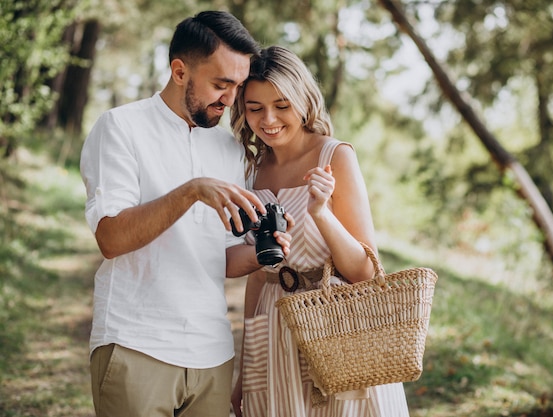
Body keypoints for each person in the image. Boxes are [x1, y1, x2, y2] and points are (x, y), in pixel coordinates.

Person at [79, 12, 292, 417]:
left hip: (211, 353)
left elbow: (222, 257)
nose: (231, 99)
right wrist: (192, 191)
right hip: (135, 345)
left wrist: (270, 252)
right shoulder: (121, 127)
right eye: (220, 84)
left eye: (238, 86)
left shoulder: (230, 149)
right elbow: (111, 239)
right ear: (180, 71)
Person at [229, 45, 410, 417]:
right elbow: (259, 278)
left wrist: (321, 213)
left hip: (336, 328)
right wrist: (245, 368)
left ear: (304, 100)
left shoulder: (335, 157)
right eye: (255, 108)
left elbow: (365, 272)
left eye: (282, 105)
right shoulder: (249, 170)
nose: (269, 120)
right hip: (274, 334)